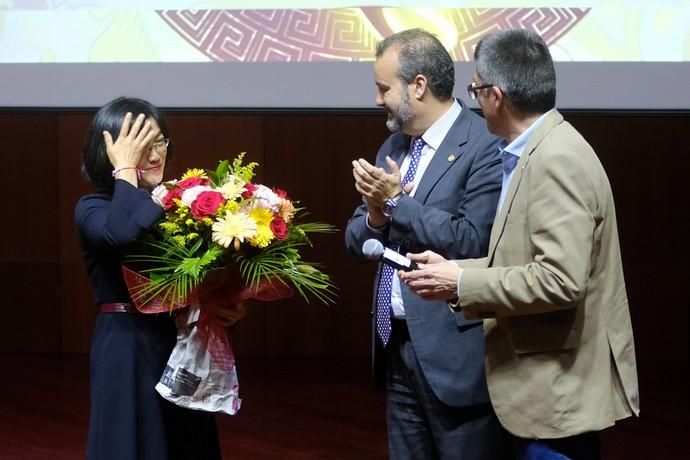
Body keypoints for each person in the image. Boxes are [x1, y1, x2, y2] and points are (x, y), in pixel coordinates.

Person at [399, 29, 640, 459]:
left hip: (554, 392)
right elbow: (522, 259)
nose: (474, 101)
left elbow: (560, 280)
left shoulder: (556, 159)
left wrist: (460, 285)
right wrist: (459, 271)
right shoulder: (536, 149)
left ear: (496, 95)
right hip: (540, 387)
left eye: (475, 90)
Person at [345, 29, 510, 459]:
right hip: (397, 347)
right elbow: (354, 238)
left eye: (384, 88)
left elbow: (474, 239)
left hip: (455, 352)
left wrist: (397, 202)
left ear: (418, 86)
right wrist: (378, 214)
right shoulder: (393, 145)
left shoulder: (483, 144)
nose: (377, 99)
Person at [75, 97, 222, 460]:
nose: (155, 154)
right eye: (141, 146)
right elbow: (122, 232)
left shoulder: (178, 205)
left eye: (160, 141)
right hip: (125, 344)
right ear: (111, 152)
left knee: (186, 443)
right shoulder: (93, 208)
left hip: (177, 341)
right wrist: (125, 170)